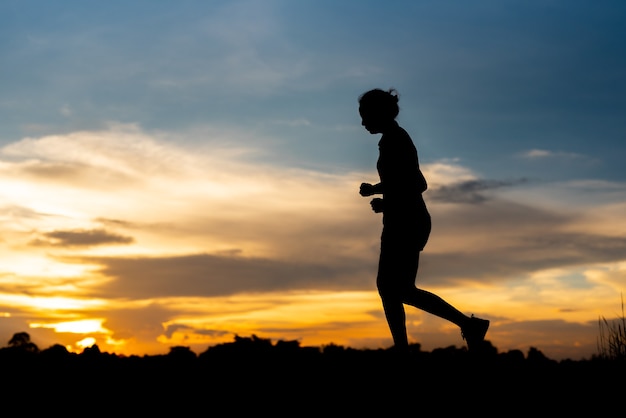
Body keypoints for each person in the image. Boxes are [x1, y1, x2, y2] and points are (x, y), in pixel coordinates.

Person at [358, 88, 489, 353]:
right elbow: (401, 182)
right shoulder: (392, 139)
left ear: (379, 114)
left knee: (393, 288)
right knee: (396, 290)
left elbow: (418, 184)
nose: (362, 122)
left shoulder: (396, 139)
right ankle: (464, 327)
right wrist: (377, 190)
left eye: (365, 116)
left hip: (406, 223)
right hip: (403, 220)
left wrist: (385, 199)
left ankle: (410, 347)